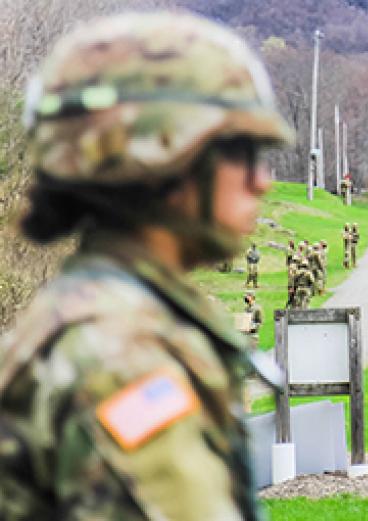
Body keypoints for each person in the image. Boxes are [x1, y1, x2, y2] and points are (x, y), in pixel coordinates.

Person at [0, 11, 290, 520]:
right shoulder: (122, 358)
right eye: (241, 150)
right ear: (163, 154)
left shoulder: (87, 314)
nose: (261, 181)